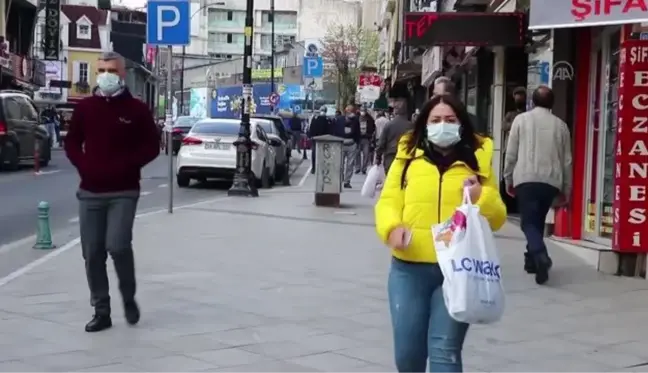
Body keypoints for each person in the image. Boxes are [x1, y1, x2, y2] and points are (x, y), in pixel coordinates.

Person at [375, 94, 506, 373]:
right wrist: (391, 228)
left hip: (458, 269)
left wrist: (480, 195)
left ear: (461, 124)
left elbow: (497, 218)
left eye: (449, 120)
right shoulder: (408, 155)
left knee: (444, 350)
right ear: (424, 124)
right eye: (435, 120)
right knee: (408, 355)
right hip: (409, 269)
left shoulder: (478, 157)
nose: (442, 126)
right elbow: (388, 201)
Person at [64, 52, 160, 333]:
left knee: (117, 246)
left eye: (111, 70)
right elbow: (71, 143)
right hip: (90, 191)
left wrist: (127, 165)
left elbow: (152, 146)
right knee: (92, 253)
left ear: (122, 74)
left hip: (124, 190)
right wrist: (84, 165)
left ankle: (128, 297)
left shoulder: (137, 110)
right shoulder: (85, 109)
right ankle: (101, 310)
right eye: (101, 69)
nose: (105, 74)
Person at [503, 85, 572, 285]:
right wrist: (566, 189)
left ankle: (540, 255)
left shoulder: (520, 120)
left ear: (532, 102)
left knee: (528, 223)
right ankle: (531, 261)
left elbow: (511, 153)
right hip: (551, 181)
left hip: (526, 178)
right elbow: (567, 160)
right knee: (538, 220)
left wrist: (508, 178)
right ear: (552, 103)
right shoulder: (561, 126)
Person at [375, 93, 413, 173]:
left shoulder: (389, 125)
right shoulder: (412, 126)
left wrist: (378, 158)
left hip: (390, 159)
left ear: (395, 111)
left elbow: (381, 144)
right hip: (406, 160)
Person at [307, 107, 332, 174]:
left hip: (318, 139)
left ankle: (315, 168)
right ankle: (318, 168)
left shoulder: (316, 119)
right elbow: (330, 130)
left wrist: (311, 136)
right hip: (322, 139)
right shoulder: (327, 120)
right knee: (322, 154)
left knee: (316, 153)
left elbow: (311, 128)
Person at [341, 105, 360, 188]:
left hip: (351, 143)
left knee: (349, 163)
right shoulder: (341, 119)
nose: (349, 111)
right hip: (342, 143)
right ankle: (342, 179)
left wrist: (357, 142)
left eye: (350, 110)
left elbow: (357, 132)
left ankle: (346, 180)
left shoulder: (355, 120)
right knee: (342, 163)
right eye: (348, 110)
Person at [355, 109, 375, 174]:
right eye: (361, 110)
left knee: (366, 154)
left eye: (363, 111)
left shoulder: (370, 119)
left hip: (366, 138)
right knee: (357, 153)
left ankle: (364, 168)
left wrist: (369, 135)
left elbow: (373, 128)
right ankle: (358, 167)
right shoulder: (357, 118)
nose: (362, 112)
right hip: (358, 138)